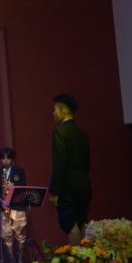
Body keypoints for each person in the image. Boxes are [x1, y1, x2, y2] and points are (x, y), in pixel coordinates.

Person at [49, 93, 91, 246]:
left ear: (64, 110)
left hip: (67, 186)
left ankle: (75, 260)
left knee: (72, 227)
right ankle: (88, 258)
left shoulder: (60, 132)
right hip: (84, 184)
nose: (53, 113)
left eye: (55, 109)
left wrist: (55, 191)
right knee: (82, 224)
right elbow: (87, 163)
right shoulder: (82, 134)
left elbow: (59, 163)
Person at [0, 147, 28, 263]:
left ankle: (20, 260)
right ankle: (11, 261)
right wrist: (0, 200)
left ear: (12, 159)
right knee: (7, 235)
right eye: (3, 158)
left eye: (8, 158)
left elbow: (24, 186)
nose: (5, 161)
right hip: (5, 208)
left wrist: (14, 186)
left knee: (20, 235)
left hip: (18, 207)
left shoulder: (19, 171)